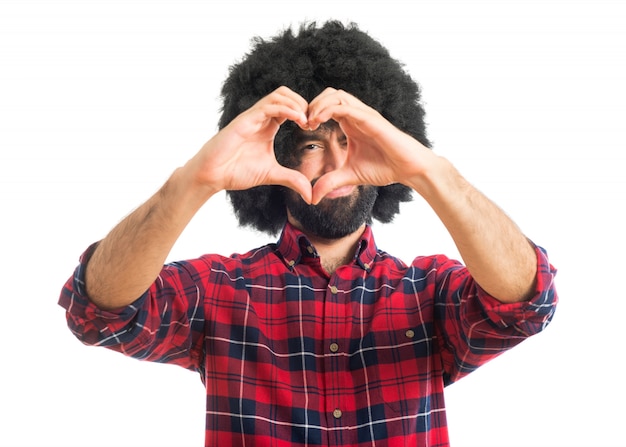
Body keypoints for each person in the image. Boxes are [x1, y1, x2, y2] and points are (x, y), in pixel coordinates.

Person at [59, 21, 558, 446]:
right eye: (317, 142)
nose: (340, 159)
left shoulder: (427, 292)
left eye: (354, 139)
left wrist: (431, 173)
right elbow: (99, 313)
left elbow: (525, 304)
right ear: (282, 152)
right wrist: (193, 182)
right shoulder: (221, 289)